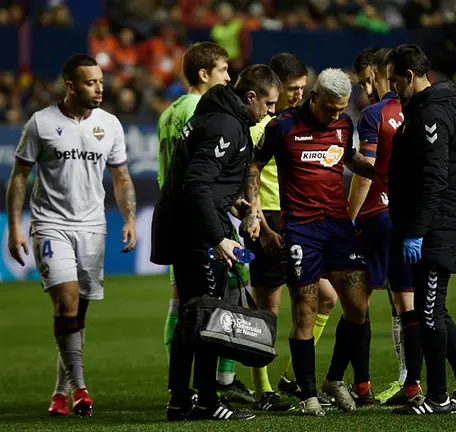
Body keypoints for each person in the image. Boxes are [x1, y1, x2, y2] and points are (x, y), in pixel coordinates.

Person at [6, 54, 137, 417]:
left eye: (100, 81)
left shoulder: (109, 124)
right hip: (50, 224)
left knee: (77, 314)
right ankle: (81, 388)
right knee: (65, 303)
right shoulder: (41, 123)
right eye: (91, 82)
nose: (100, 88)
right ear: (70, 86)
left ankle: (60, 391)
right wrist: (14, 226)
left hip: (93, 226)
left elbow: (122, 176)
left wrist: (129, 218)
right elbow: (19, 176)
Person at [151, 65, 281, 421]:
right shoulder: (225, 125)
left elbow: (209, 184)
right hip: (196, 233)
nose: (270, 112)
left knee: (194, 315)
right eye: (268, 104)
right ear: (250, 97)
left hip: (188, 226)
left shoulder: (218, 117)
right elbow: (197, 186)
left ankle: (180, 401)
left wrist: (238, 207)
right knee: (207, 316)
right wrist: (219, 239)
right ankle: (207, 401)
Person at [246, 68, 379, 416]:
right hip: (301, 230)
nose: (336, 115)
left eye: (342, 108)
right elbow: (254, 166)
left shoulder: (344, 125)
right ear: (313, 97)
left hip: (337, 227)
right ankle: (307, 394)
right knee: (304, 310)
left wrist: (383, 173)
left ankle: (334, 379)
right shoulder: (283, 126)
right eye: (330, 108)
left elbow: (351, 159)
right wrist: (253, 209)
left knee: (358, 307)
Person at [386, 44, 456, 415]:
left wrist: (417, 230)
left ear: (409, 76)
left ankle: (438, 397)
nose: (393, 87)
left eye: (394, 79)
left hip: (439, 225)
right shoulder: (439, 106)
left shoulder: (430, 115)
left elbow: (434, 178)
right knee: (436, 310)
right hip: (442, 221)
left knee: (428, 314)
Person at [156, 41, 255, 406]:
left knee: (184, 308)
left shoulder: (169, 113)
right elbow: (200, 177)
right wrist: (218, 232)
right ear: (204, 75)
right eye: (224, 71)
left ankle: (181, 393)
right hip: (200, 221)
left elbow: (174, 168)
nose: (228, 79)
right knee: (209, 310)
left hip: (179, 215)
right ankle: (215, 389)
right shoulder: (208, 111)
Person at [244, 53, 335, 410]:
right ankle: (263, 389)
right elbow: (245, 178)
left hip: (301, 220)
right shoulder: (258, 128)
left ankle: (293, 377)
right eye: (292, 89)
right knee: (269, 308)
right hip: (268, 220)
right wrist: (259, 222)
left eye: (302, 88)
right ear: (276, 88)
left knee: (325, 298)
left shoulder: (299, 123)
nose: (298, 95)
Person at [351, 47, 423, 405]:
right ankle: (412, 382)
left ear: (383, 73)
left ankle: (359, 384)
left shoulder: (374, 115)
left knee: (358, 300)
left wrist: (348, 217)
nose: (366, 88)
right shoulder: (418, 110)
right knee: (407, 302)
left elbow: (368, 171)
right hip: (412, 218)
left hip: (378, 216)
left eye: (369, 80)